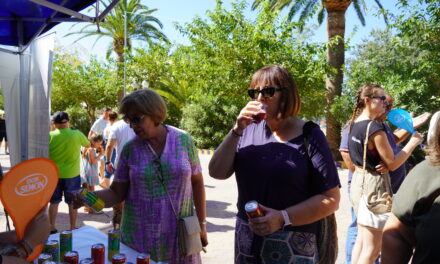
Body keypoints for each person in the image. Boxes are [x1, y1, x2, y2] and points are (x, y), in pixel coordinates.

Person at [209, 65, 340, 263]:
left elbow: (331, 199)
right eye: (255, 92)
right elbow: (216, 172)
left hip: (294, 241)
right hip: (248, 240)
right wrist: (236, 129)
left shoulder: (310, 135)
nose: (260, 98)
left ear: (286, 95)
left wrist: (282, 218)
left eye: (268, 91)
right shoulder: (246, 130)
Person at [75, 89, 207, 264]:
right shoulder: (130, 149)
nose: (132, 125)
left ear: (155, 113)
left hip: (178, 235)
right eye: (129, 120)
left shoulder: (183, 141)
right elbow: (116, 193)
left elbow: (197, 183)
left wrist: (202, 224)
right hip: (139, 238)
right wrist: (87, 198)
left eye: (137, 119)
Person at [340, 95, 430, 264]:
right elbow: (346, 153)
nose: (387, 109)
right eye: (385, 104)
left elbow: (390, 143)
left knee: (363, 243)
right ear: (368, 101)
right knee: (371, 247)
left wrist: (410, 126)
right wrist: (370, 169)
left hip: (376, 190)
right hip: (373, 192)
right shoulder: (364, 125)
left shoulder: (377, 126)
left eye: (389, 106)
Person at [382, 111, 440, 263]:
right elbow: (397, 233)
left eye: (387, 102)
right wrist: (412, 141)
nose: (386, 106)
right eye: (383, 100)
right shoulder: (374, 128)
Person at [49, 111, 89, 233]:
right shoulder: (76, 134)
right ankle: (72, 227)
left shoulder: (50, 135)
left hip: (54, 174)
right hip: (72, 174)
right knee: (72, 202)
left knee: (54, 202)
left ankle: (52, 227)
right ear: (68, 122)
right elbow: (87, 144)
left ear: (54, 123)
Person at [104, 113, 135, 228]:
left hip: (120, 165)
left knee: (118, 193)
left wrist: (107, 161)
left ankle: (118, 221)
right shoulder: (141, 123)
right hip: (138, 165)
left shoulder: (116, 126)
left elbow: (109, 145)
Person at [81, 135, 104, 213]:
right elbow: (92, 162)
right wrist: (100, 155)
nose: (99, 145)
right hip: (90, 171)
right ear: (93, 142)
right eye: (98, 143)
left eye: (101, 143)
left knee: (86, 190)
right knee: (92, 190)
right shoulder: (91, 150)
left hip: (85, 171)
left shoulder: (85, 148)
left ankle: (86, 207)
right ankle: (92, 209)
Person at [101, 111, 118, 188]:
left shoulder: (107, 126)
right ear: (116, 118)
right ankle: (109, 188)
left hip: (106, 149)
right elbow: (112, 143)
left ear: (108, 118)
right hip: (112, 149)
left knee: (107, 168)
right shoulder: (114, 127)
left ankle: (106, 185)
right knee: (112, 169)